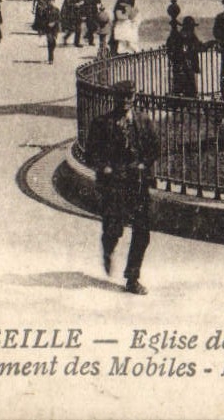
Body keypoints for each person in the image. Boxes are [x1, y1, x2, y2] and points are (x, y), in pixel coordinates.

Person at [83, 79, 160, 295]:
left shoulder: (143, 121)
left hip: (137, 183)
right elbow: (91, 154)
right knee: (114, 227)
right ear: (114, 98)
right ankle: (108, 247)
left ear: (135, 97)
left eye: (130, 96)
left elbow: (155, 147)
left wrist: (145, 164)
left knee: (142, 231)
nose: (126, 101)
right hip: (114, 184)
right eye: (121, 97)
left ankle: (132, 278)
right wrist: (104, 167)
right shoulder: (101, 123)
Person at [165, 15, 202, 97]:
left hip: (188, 67)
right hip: (183, 68)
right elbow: (173, 52)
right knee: (185, 90)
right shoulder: (182, 37)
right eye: (191, 27)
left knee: (188, 89)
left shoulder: (191, 36)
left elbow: (198, 46)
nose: (193, 29)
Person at [42, 0, 61, 64]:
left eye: (52, 1)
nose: (51, 2)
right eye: (50, 1)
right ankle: (50, 59)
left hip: (55, 29)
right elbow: (42, 20)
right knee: (50, 42)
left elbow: (59, 19)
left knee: (54, 43)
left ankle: (51, 54)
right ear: (48, 2)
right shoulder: (45, 10)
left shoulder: (57, 10)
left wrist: (54, 23)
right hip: (48, 29)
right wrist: (47, 24)